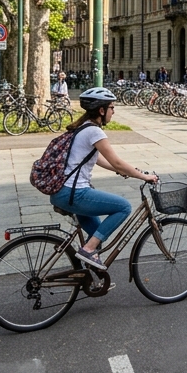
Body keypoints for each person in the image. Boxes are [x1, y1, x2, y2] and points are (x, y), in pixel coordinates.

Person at [48, 87, 160, 270]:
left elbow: (97, 158)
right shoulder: (94, 132)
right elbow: (116, 161)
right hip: (73, 193)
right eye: (112, 107)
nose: (113, 112)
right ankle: (87, 250)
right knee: (123, 207)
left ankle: (89, 273)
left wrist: (121, 171)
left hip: (62, 191)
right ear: (101, 110)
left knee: (97, 234)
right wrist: (143, 176)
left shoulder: (83, 128)